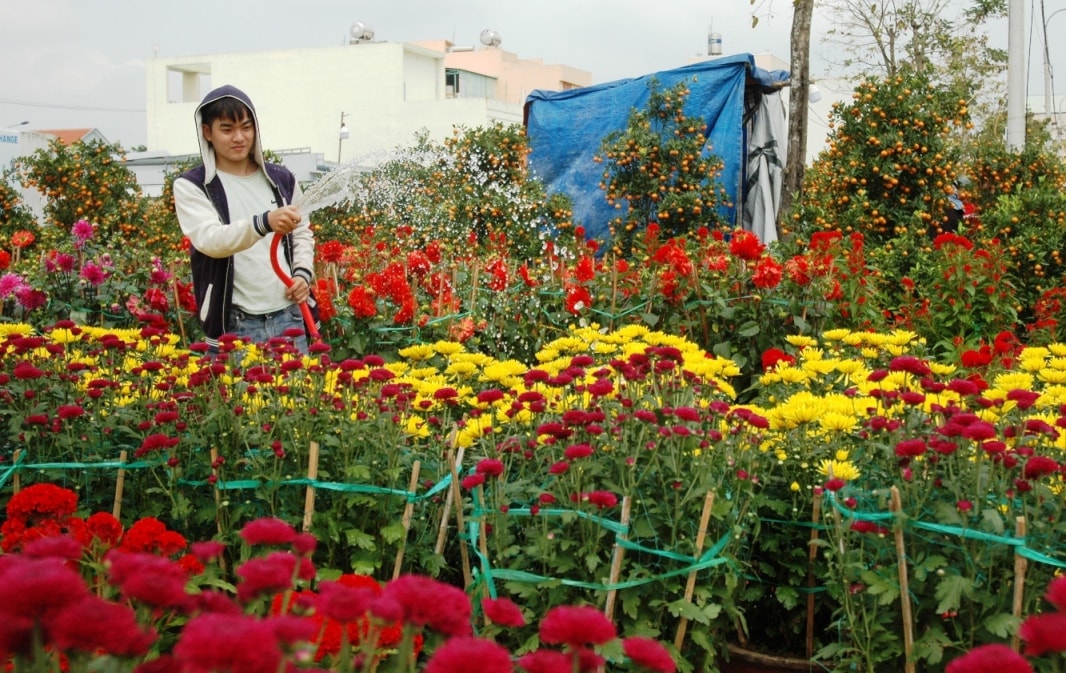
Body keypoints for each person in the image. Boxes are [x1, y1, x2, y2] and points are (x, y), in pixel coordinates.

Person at [174, 85, 317, 354]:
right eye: (227, 129)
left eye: (246, 127)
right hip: (234, 324)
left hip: (290, 317)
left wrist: (301, 274)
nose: (239, 137)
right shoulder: (193, 185)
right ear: (207, 132)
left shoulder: (280, 179)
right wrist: (263, 222)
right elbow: (211, 240)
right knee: (239, 397)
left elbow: (302, 232)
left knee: (300, 395)